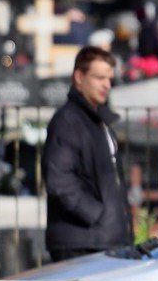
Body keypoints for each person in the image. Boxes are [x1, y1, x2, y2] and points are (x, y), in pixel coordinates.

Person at [42, 45, 131, 262]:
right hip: (82, 243)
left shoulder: (98, 121)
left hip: (102, 240)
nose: (106, 85)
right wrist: (96, 214)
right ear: (79, 77)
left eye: (110, 79)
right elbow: (59, 180)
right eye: (99, 78)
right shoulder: (67, 121)